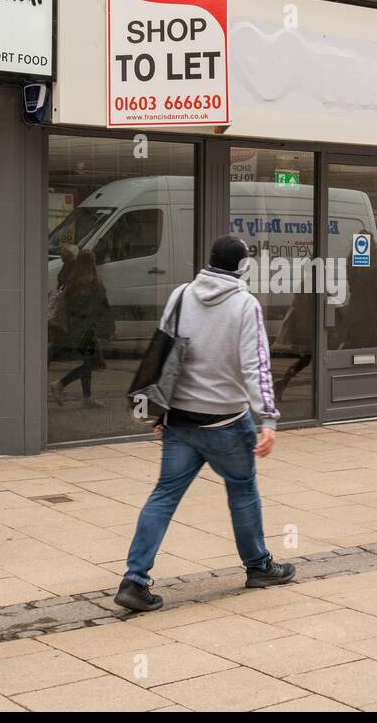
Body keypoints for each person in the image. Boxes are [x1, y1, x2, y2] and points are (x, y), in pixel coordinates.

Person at [115, 236, 294, 612]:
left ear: (209, 262)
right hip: (227, 422)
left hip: (180, 420)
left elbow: (161, 356)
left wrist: (158, 413)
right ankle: (259, 566)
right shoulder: (246, 305)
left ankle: (134, 579)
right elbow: (255, 366)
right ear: (243, 267)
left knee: (163, 497)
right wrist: (269, 419)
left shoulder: (182, 295)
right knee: (242, 491)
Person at [51, 247, 114, 407]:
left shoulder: (72, 281)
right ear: (93, 262)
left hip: (76, 328)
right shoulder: (93, 283)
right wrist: (107, 329)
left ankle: (87, 397)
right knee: (92, 363)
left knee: (90, 362)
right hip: (87, 330)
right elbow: (100, 308)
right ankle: (61, 385)